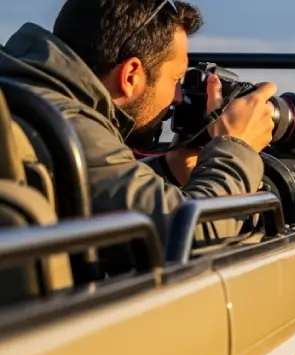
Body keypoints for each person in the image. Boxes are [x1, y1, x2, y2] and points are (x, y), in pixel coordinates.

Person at [0, 0, 278, 246]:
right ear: (131, 75)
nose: (178, 97)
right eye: (175, 80)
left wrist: (168, 169)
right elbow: (194, 232)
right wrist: (236, 146)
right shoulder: (60, 125)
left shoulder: (26, 96)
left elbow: (104, 183)